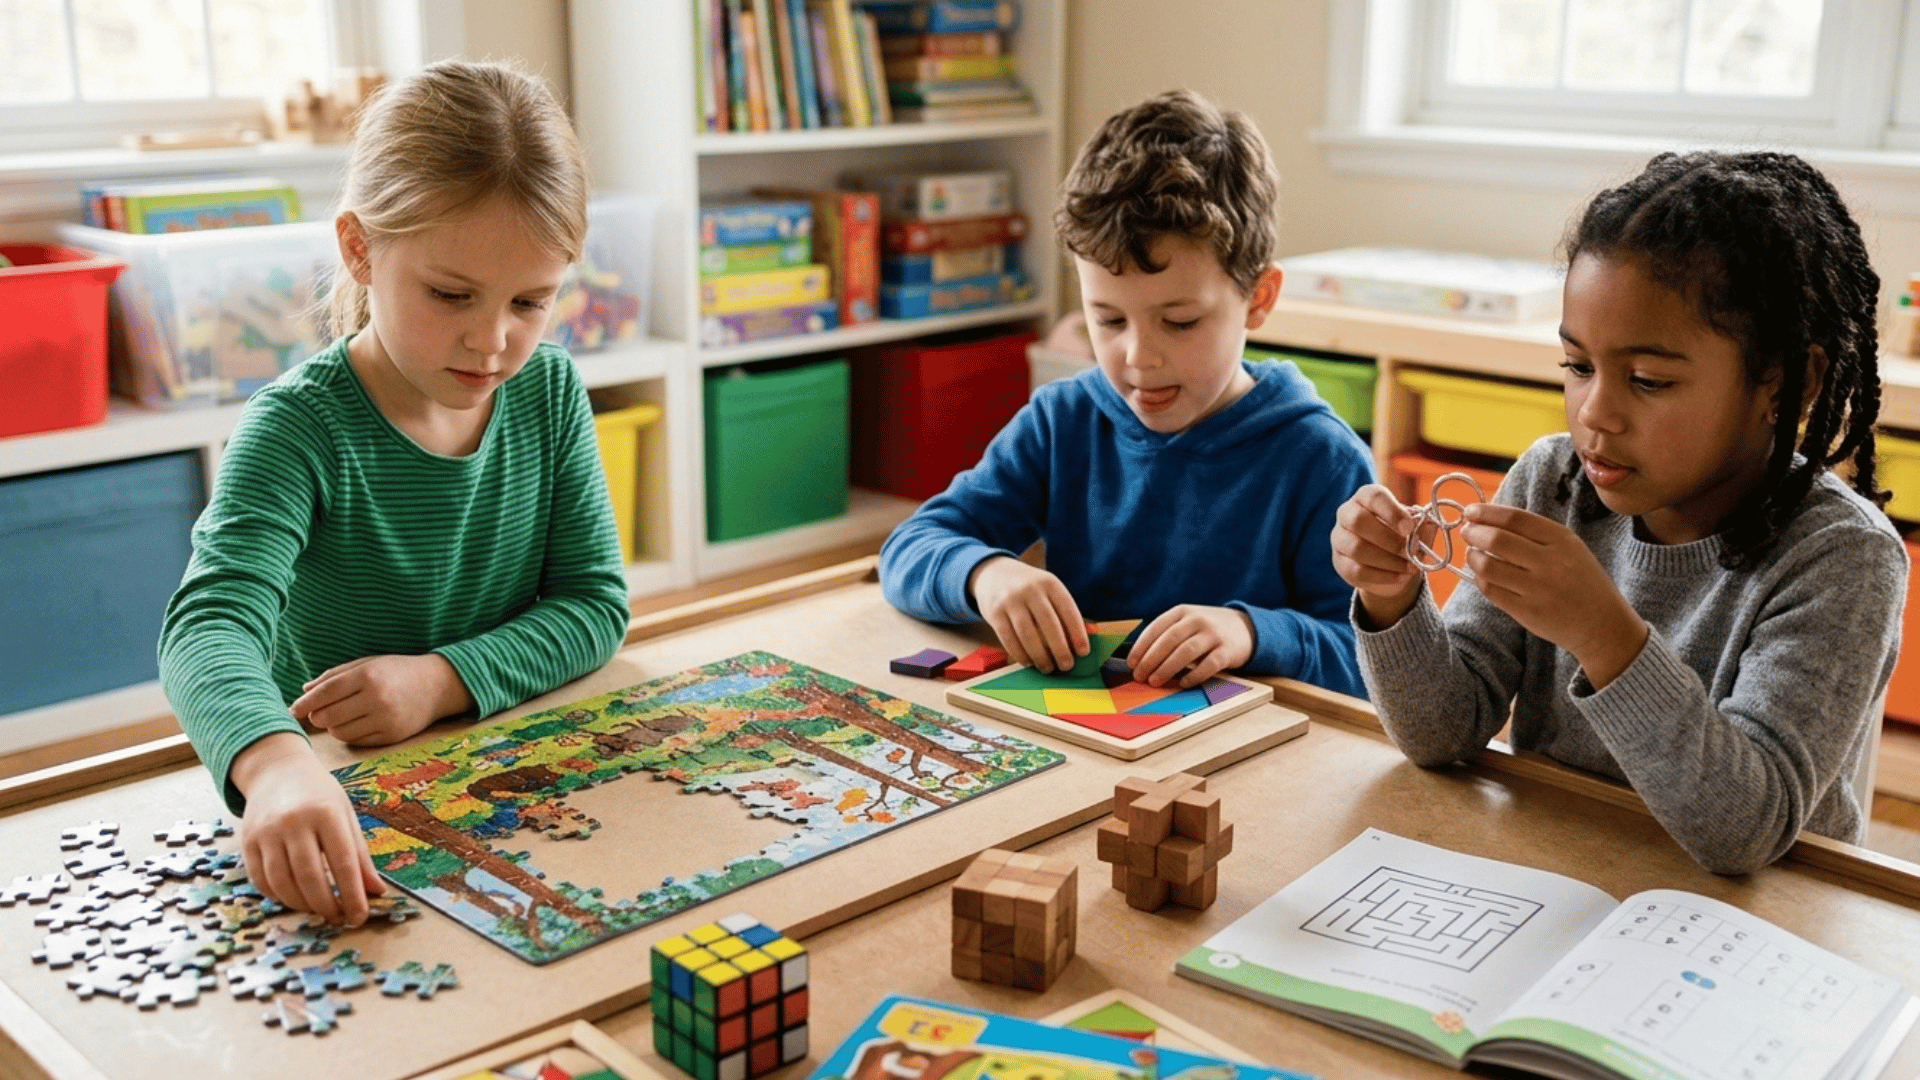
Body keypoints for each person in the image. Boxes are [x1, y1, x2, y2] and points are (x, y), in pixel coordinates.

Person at [1332, 150, 1905, 874]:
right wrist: (1392, 600)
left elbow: (1748, 830)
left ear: (1785, 381)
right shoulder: (1553, 480)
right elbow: (1443, 731)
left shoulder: (1841, 557)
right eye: (1577, 367)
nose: (1595, 414)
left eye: (1648, 380)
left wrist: (1604, 637)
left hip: (1759, 922)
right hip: (1565, 871)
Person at [158, 60, 630, 924]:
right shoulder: (297, 426)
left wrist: (441, 681)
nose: (492, 342)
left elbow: (595, 605)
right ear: (359, 248)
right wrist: (273, 766)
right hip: (339, 801)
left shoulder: (549, 391)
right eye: (451, 293)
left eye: (531, 300)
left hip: (512, 771)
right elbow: (208, 626)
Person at [880, 90, 1372, 696]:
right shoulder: (1064, 420)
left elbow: (1373, 663)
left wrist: (1252, 631)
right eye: (1108, 321)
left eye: (1181, 321)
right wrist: (985, 572)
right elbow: (909, 547)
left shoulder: (1320, 458)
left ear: (1259, 299)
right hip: (1088, 747)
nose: (1139, 358)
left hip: (1250, 762)